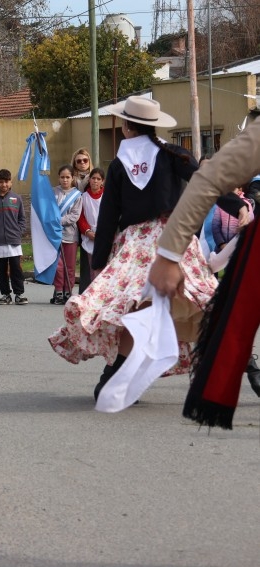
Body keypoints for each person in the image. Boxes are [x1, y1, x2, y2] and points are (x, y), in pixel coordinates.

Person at [49, 95, 245, 401]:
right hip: (172, 241)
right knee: (202, 299)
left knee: (131, 308)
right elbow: (204, 182)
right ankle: (247, 361)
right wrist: (237, 205)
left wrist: (99, 262)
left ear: (127, 127)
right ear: (153, 126)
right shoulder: (172, 155)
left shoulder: (117, 166)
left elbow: (110, 215)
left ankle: (113, 377)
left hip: (136, 244)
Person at [149, 111, 259, 428]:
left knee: (211, 303)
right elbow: (210, 179)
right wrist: (168, 254)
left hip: (171, 240)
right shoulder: (124, 163)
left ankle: (245, 362)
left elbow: (209, 179)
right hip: (144, 241)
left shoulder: (177, 154)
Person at [0, 169, 27, 305]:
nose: (4, 184)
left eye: (7, 182)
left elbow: (22, 219)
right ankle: (5, 294)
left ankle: (19, 294)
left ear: (10, 183)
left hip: (13, 241)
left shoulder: (17, 198)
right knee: (1, 270)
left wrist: (18, 231)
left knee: (16, 268)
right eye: (1, 182)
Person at [49, 165, 82, 305]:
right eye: (62, 177)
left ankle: (68, 290)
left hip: (70, 235)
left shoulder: (77, 195)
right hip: (55, 235)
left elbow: (75, 215)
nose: (65, 180)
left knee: (69, 266)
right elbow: (48, 210)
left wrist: (59, 220)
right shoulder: (53, 192)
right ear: (58, 178)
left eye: (67, 177)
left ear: (72, 178)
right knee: (58, 266)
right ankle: (58, 291)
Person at [76, 167, 105, 292]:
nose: (95, 181)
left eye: (98, 179)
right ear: (89, 180)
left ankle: (103, 292)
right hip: (89, 236)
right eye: (93, 178)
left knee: (104, 267)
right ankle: (93, 293)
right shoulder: (84, 197)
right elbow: (80, 217)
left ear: (102, 181)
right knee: (92, 267)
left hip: (104, 235)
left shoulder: (107, 196)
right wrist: (88, 231)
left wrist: (104, 232)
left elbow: (111, 215)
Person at [72, 148, 95, 293]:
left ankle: (89, 290)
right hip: (72, 222)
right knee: (69, 258)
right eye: (79, 161)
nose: (82, 163)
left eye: (85, 160)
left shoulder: (94, 177)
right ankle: (63, 290)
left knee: (89, 257)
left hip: (88, 219)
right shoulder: (70, 178)